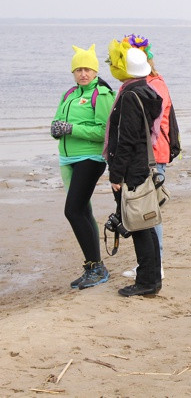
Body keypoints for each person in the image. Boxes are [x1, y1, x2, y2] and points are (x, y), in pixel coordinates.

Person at [52, 44, 114, 290]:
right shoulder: (69, 94)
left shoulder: (102, 94)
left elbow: (104, 131)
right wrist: (56, 129)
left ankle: (97, 267)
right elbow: (58, 119)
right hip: (67, 159)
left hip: (90, 158)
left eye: (87, 69)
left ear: (96, 71)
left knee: (73, 211)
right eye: (78, 69)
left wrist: (72, 129)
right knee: (83, 211)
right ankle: (93, 266)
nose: (83, 74)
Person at [105, 44, 163, 296]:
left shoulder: (130, 95)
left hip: (131, 169)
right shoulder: (147, 91)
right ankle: (150, 278)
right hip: (140, 165)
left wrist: (116, 174)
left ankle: (147, 282)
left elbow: (126, 139)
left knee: (139, 226)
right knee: (145, 224)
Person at [121, 35, 175, 281]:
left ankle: (156, 264)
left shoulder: (153, 85)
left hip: (152, 155)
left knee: (149, 209)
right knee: (143, 209)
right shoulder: (138, 84)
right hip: (146, 154)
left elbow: (145, 124)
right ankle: (149, 263)